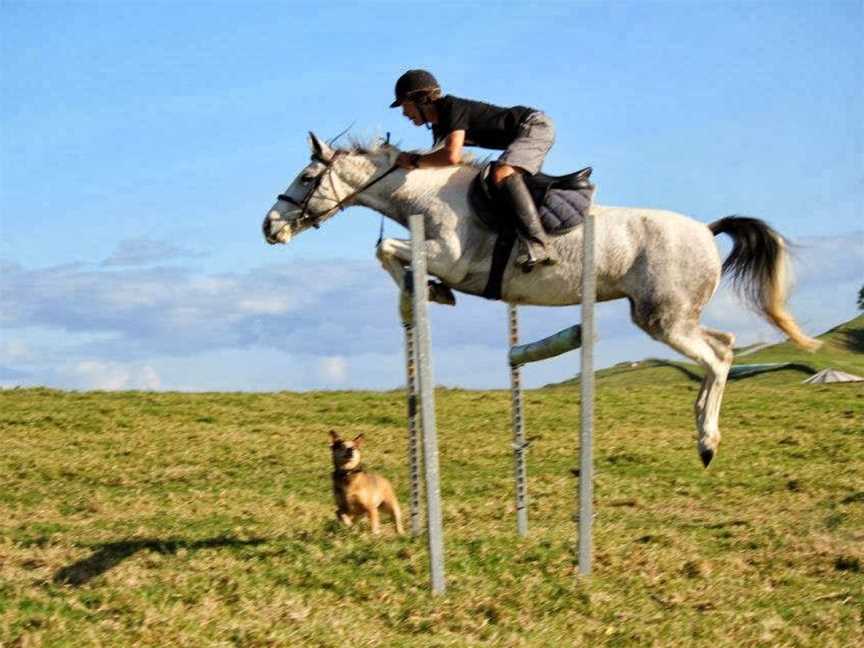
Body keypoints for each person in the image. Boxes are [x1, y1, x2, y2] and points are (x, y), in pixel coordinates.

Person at [389, 69, 557, 270]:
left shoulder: (451, 107)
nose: (404, 113)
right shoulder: (440, 126)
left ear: (421, 100)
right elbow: (436, 165)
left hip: (534, 125)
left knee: (501, 172)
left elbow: (451, 156)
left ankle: (539, 244)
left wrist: (413, 160)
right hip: (524, 132)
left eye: (404, 105)